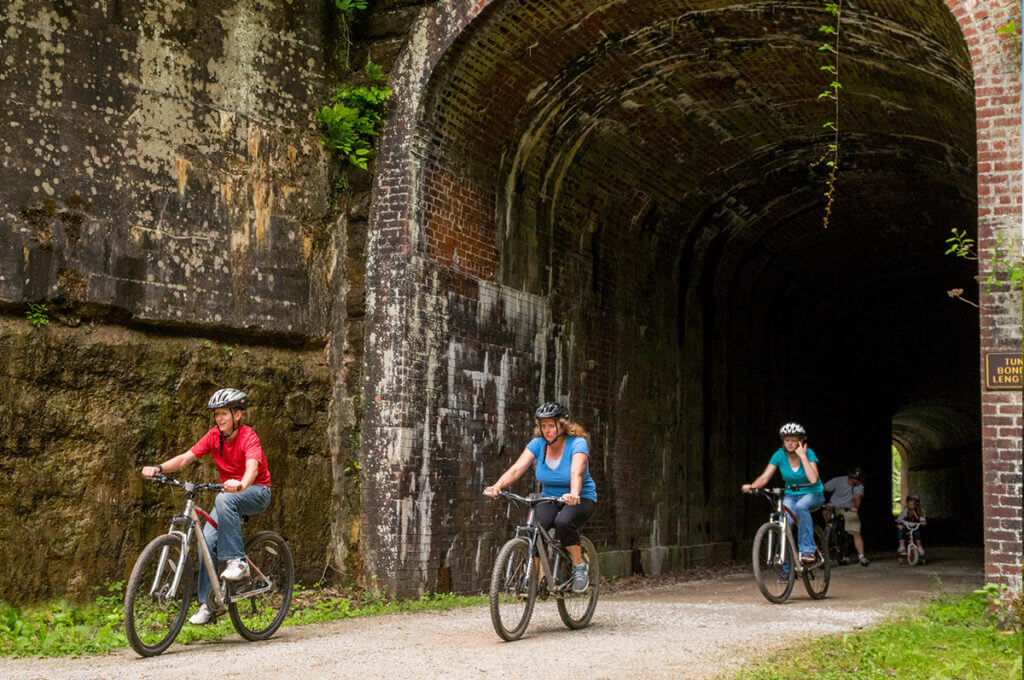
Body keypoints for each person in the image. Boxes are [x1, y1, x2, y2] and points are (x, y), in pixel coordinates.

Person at [141, 388, 271, 625]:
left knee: (224, 499)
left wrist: (242, 483)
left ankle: (237, 561)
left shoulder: (248, 436)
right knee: (205, 543)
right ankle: (209, 603)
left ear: (237, 415)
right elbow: (185, 458)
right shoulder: (213, 436)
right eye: (216, 414)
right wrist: (158, 468)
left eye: (223, 413)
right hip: (228, 495)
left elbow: (252, 466)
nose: (219, 418)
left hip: (256, 491)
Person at [484, 402, 597, 592]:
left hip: (580, 497)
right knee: (535, 528)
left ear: (563, 425)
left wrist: (574, 493)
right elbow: (517, 468)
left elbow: (576, 472)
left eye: (551, 426)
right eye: (543, 426)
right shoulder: (538, 444)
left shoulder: (577, 443)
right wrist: (497, 486)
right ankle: (533, 578)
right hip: (549, 497)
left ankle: (579, 566)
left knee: (563, 522)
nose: (547, 430)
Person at [742, 422, 825, 570]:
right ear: (783, 441)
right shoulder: (779, 455)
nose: (790, 443)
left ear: (801, 440)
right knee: (784, 523)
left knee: (801, 507)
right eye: (787, 440)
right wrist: (752, 487)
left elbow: (813, 479)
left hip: (812, 493)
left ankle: (807, 551)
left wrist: (803, 457)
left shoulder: (809, 453)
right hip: (791, 495)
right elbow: (765, 477)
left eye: (794, 440)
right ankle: (786, 569)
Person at [823, 468, 870, 566]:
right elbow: (823, 488)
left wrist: (855, 507)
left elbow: (857, 501)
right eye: (855, 479)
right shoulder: (838, 480)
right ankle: (828, 531)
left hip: (847, 509)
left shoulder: (858, 486)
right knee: (826, 511)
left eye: (858, 480)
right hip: (834, 506)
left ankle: (861, 557)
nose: (856, 482)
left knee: (856, 531)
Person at [896, 493, 927, 558]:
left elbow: (921, 517)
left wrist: (923, 521)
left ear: (917, 504)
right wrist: (899, 521)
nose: (911, 505)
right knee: (900, 530)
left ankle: (919, 546)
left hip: (915, 526)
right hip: (906, 525)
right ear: (907, 503)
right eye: (910, 504)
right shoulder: (906, 510)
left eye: (913, 504)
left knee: (917, 534)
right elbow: (901, 516)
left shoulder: (919, 510)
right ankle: (902, 545)